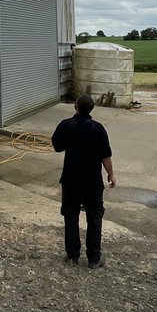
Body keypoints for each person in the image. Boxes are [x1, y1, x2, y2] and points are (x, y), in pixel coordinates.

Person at [51, 93, 115, 269]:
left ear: (76, 106)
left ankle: (72, 255)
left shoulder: (66, 125)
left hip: (71, 180)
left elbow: (57, 146)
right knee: (94, 218)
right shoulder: (98, 129)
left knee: (71, 216)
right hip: (93, 181)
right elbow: (105, 155)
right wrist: (111, 174)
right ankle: (94, 258)